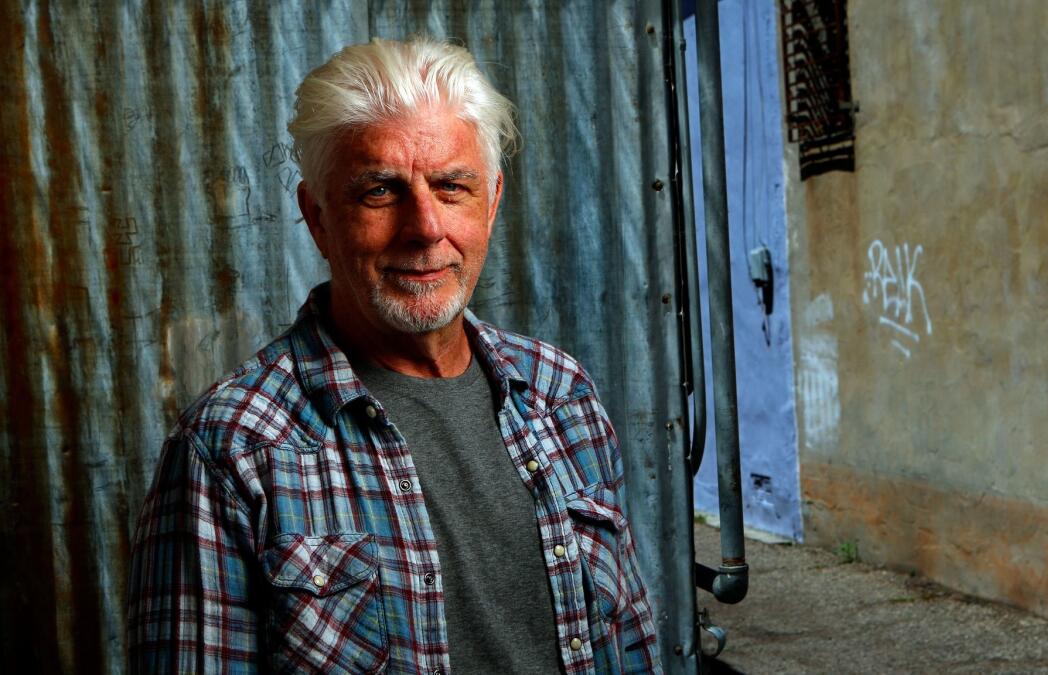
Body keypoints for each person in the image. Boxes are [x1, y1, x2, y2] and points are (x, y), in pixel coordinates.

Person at [127, 36, 661, 674]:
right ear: (318, 216)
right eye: (380, 191)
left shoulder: (560, 393)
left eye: (451, 186)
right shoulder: (232, 448)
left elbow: (631, 650)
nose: (425, 227)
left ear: (490, 203)